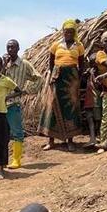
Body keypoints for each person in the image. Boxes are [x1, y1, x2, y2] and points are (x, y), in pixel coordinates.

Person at [40, 19, 86, 151]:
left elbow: (81, 65)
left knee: (70, 108)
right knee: (52, 106)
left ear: (74, 32)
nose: (68, 34)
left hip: (71, 80)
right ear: (63, 32)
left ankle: (70, 140)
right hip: (57, 77)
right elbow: (51, 63)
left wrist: (76, 79)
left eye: (71, 32)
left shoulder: (79, 46)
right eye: (66, 32)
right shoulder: (56, 45)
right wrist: (54, 74)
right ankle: (51, 140)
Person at [4, 39, 43, 168]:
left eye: (13, 47)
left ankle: (16, 160)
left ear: (18, 48)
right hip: (0, 104)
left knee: (17, 132)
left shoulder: (24, 64)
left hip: (14, 103)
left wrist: (25, 91)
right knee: (2, 133)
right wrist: (3, 66)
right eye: (8, 47)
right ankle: (1, 160)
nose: (10, 50)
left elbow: (38, 78)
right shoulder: (4, 64)